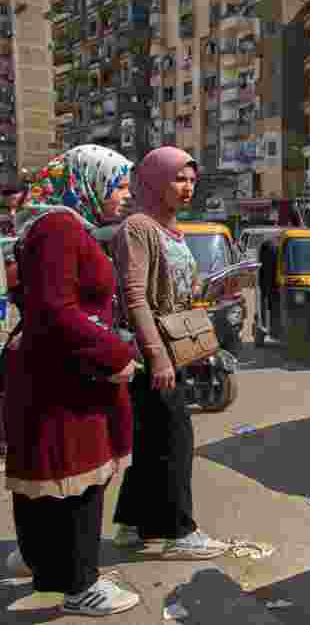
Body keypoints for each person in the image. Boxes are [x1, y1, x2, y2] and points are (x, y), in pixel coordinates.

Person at [3, 145, 141, 616]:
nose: (125, 194)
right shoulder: (60, 229)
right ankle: (79, 584)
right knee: (79, 482)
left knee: (51, 478)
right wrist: (115, 353)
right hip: (66, 380)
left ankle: (46, 563)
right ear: (88, 181)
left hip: (55, 372)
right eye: (119, 183)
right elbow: (57, 311)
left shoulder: (51, 225)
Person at [110, 146, 229, 559]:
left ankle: (130, 523)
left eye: (192, 180)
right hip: (151, 354)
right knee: (176, 438)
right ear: (156, 180)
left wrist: (215, 290)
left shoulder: (172, 230)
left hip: (170, 350)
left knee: (152, 439)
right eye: (179, 178)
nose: (187, 187)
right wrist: (157, 356)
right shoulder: (137, 228)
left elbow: (182, 292)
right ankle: (179, 532)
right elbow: (135, 297)